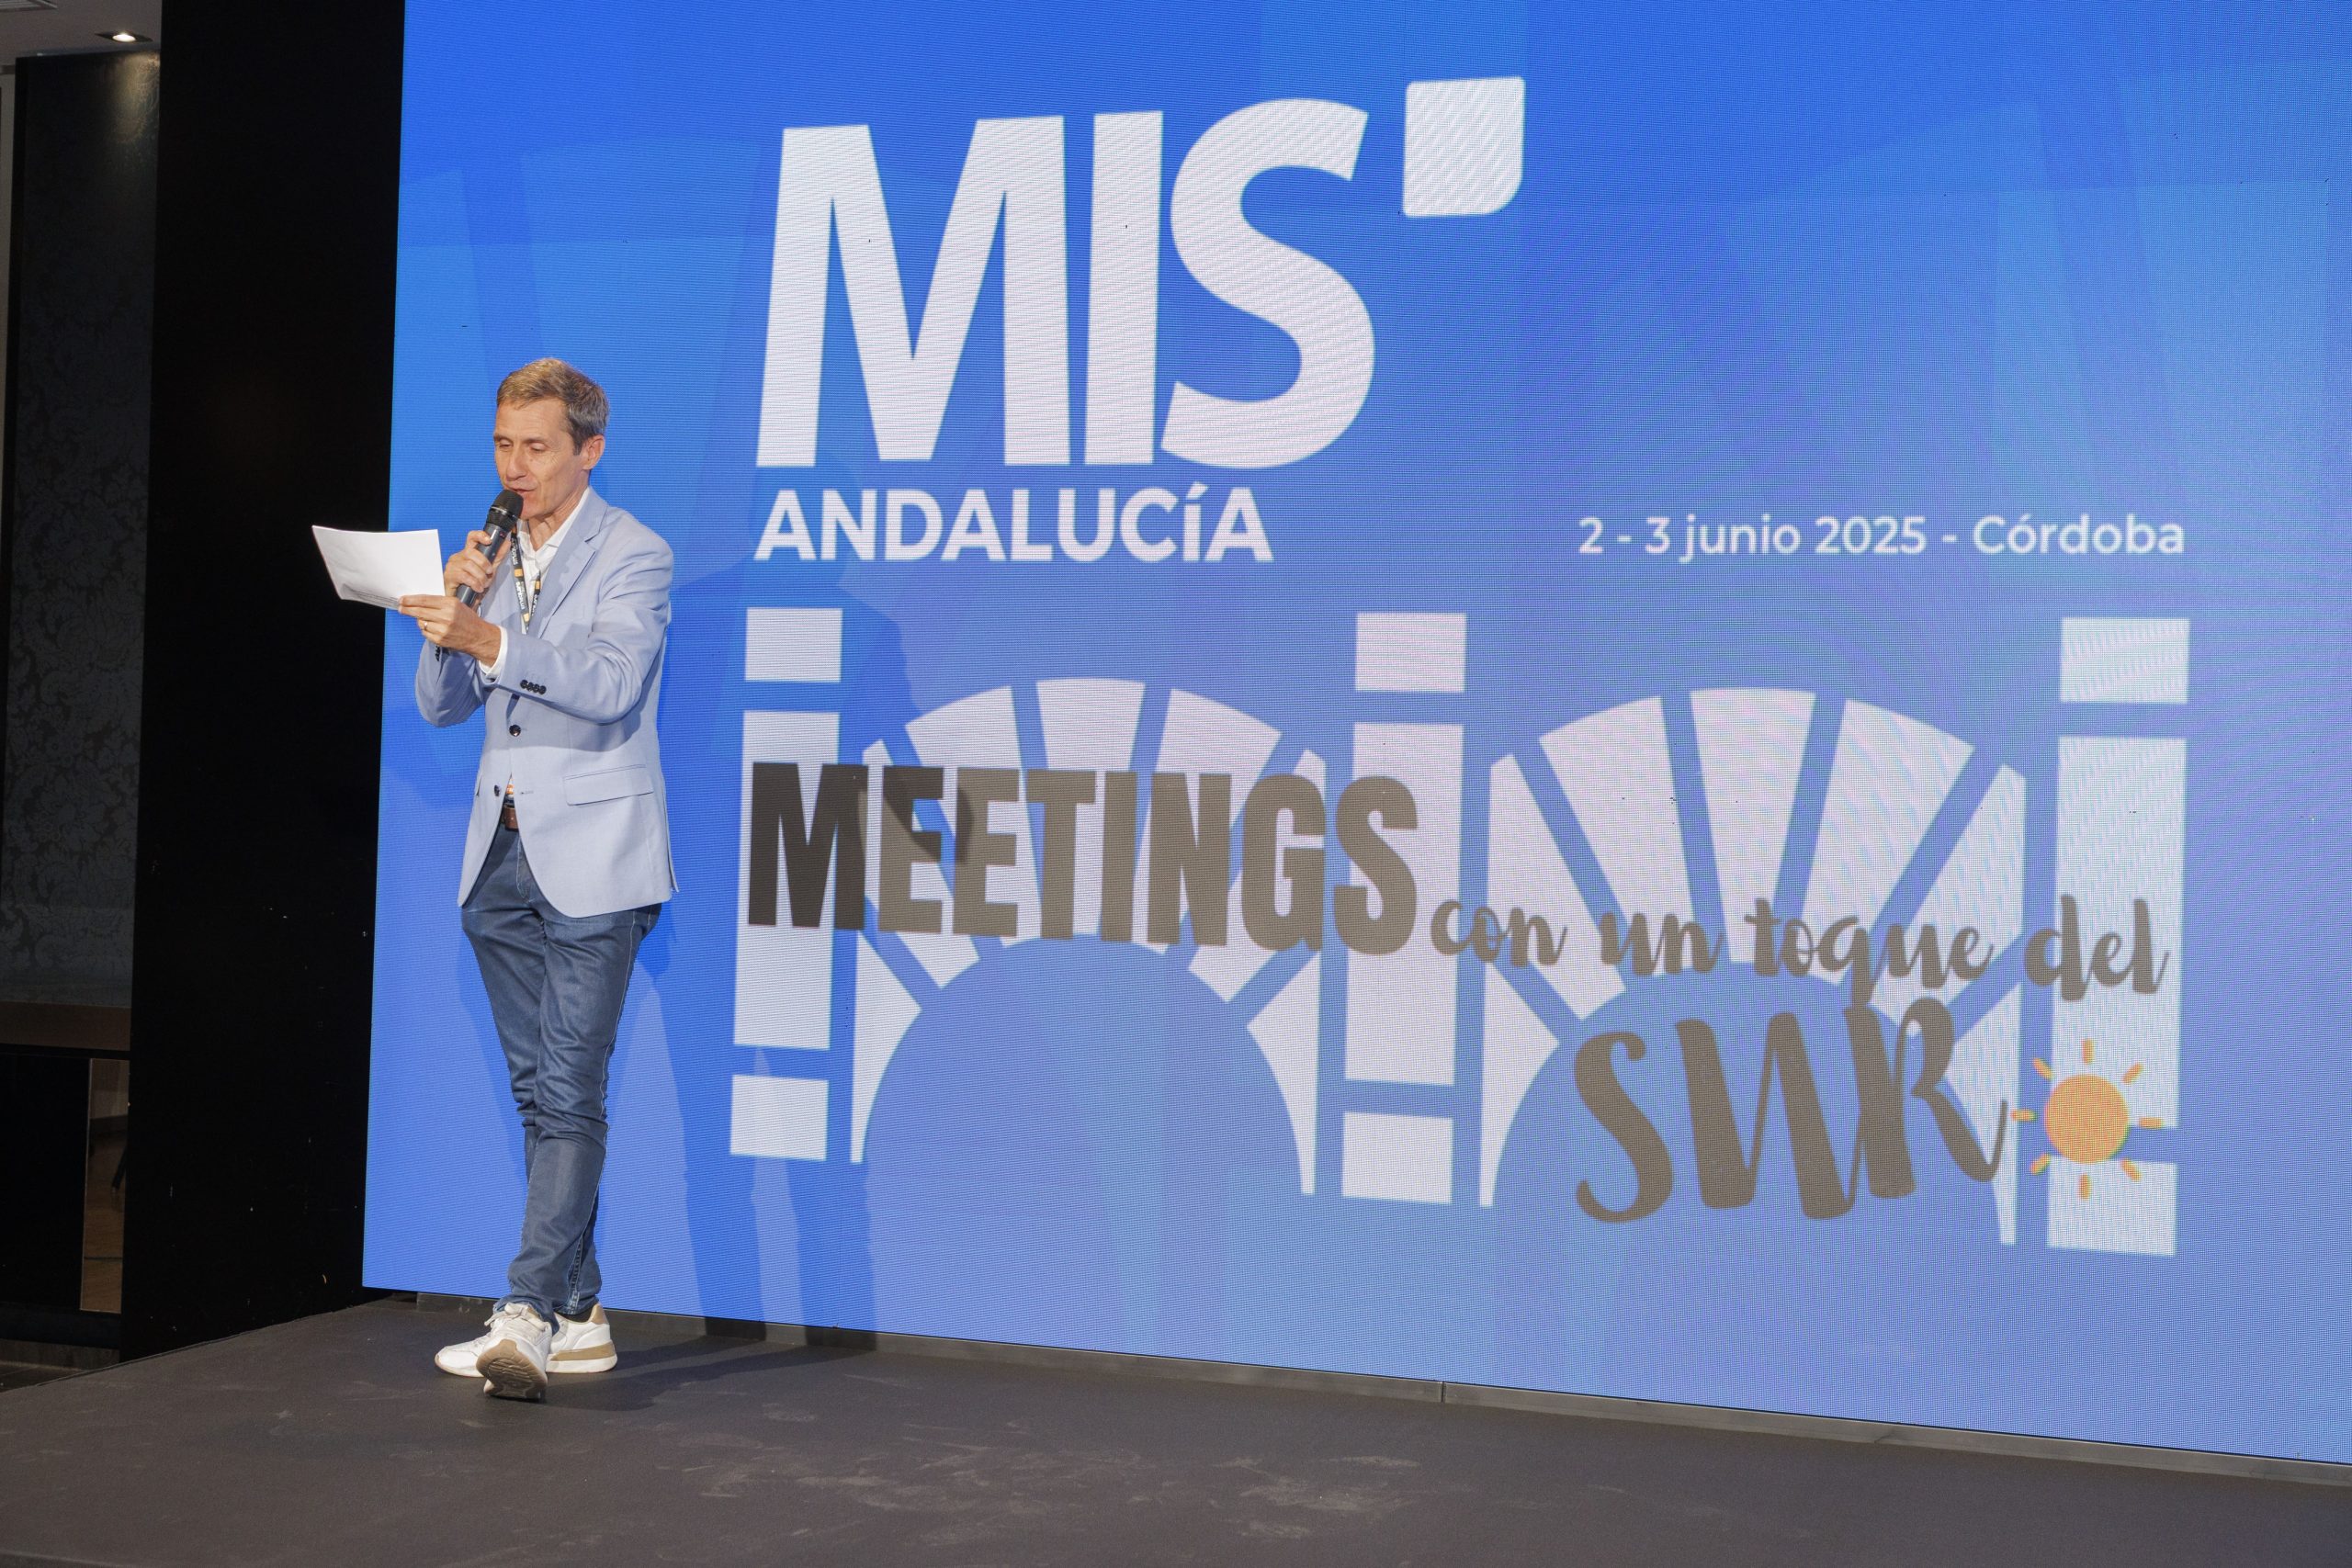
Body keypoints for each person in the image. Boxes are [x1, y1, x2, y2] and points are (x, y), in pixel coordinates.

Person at [398, 358, 674, 1401]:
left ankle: (525, 1312)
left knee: (567, 1088)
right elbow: (440, 708)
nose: (516, 468)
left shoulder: (636, 551)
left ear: (589, 449)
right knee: (537, 1091)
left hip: (597, 856)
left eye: (538, 447)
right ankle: (581, 1313)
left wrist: (494, 637)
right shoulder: (496, 550)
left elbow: (610, 686)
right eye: (504, 446)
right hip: (500, 855)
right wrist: (458, 616)